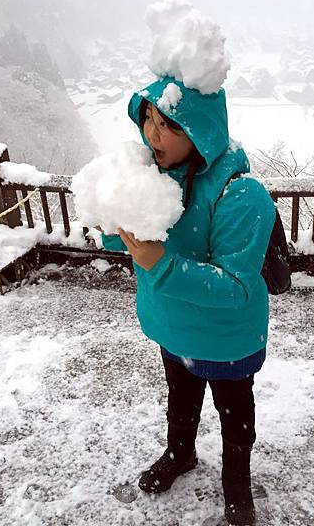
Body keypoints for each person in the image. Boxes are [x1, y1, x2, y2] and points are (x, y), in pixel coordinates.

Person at [101, 76, 275, 526]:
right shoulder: (151, 178)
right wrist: (112, 215)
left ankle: (236, 481)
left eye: (169, 125)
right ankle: (180, 454)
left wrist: (161, 263)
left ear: (200, 131)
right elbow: (130, 241)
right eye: (148, 120)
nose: (152, 134)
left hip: (227, 341)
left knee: (235, 417)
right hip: (171, 329)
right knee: (180, 403)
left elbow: (236, 285)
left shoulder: (241, 194)